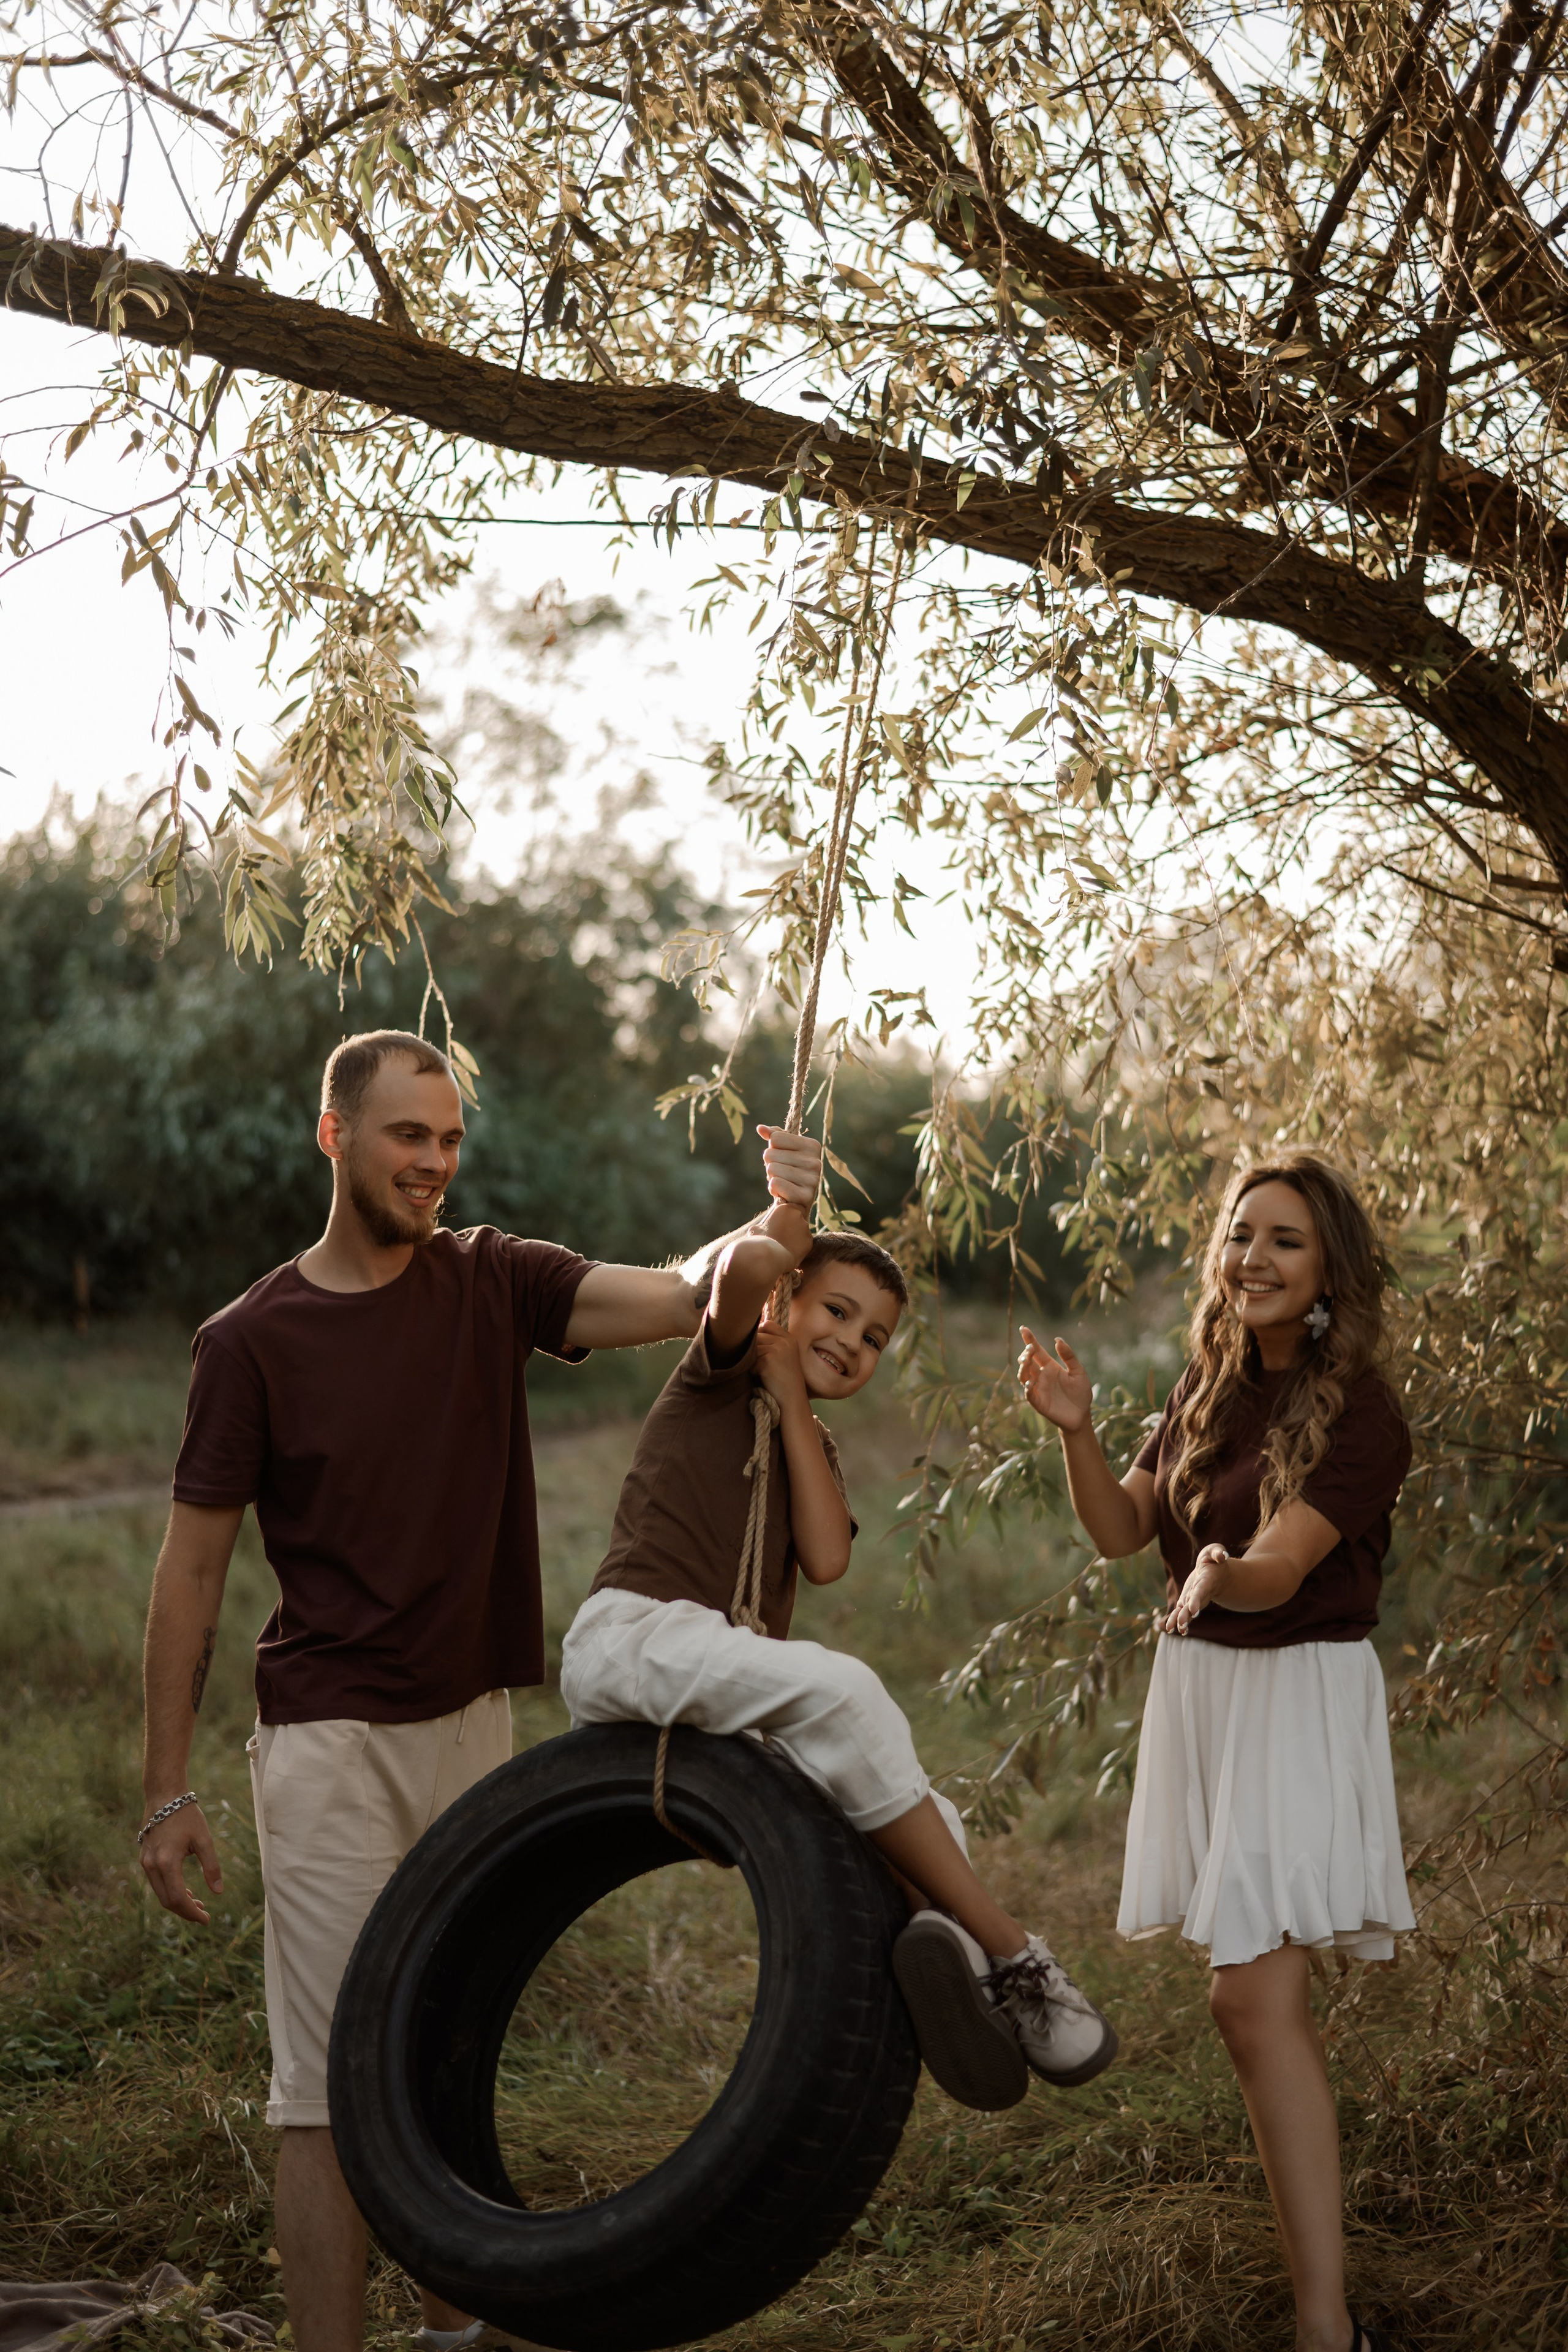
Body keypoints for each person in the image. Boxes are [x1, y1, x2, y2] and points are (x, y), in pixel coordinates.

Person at [137, 1028, 825, 2352]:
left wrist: (777, 1224)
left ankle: (453, 2337)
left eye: (449, 1140)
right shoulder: (251, 1341)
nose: (434, 1162)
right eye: (409, 1135)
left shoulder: (494, 1278)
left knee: (442, 2058)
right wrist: (166, 1788)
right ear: (335, 1134)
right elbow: (191, 1574)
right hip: (330, 1742)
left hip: (475, 1730)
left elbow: (692, 1292)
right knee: (327, 2094)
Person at [560, 1192, 1118, 2113]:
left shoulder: (805, 1435)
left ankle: (942, 1983)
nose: (852, 1343)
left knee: (935, 1818)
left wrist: (793, 1400)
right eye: (836, 1311)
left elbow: (825, 1557)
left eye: (874, 1338)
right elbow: (741, 1271)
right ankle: (1014, 1959)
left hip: (709, 1671)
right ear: (787, 1300)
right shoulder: (718, 1369)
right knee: (846, 1692)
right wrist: (784, 1216)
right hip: (635, 1639)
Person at [1017, 1153, 1412, 2352]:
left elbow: (1277, 1569)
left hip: (1293, 1693)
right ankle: (1325, 2325)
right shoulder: (1207, 1382)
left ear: (1330, 1268)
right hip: (1210, 1690)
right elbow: (1119, 1527)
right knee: (1251, 2007)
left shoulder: (1362, 1413)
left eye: (1284, 1239)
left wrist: (1215, 1575)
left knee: (1248, 1999)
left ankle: (1325, 2329)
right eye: (1241, 1234)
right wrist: (1077, 1435)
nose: (1253, 1257)